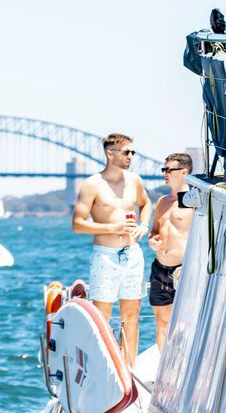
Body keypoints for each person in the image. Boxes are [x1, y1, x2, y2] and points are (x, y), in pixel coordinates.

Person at [70, 133, 151, 358]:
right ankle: (101, 368)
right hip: (105, 257)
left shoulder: (134, 180)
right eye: (126, 152)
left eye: (132, 152)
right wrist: (112, 228)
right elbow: (77, 224)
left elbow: (146, 204)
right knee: (101, 318)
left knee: (131, 316)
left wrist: (144, 225)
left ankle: (129, 372)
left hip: (133, 254)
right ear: (110, 153)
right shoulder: (92, 184)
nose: (131, 157)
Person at [144, 152, 194, 347]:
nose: (164, 173)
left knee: (186, 325)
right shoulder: (163, 202)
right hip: (160, 269)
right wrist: (152, 240)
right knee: (162, 323)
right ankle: (165, 374)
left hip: (184, 271)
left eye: (168, 169)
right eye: (163, 169)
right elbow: (155, 231)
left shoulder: (194, 203)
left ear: (184, 172)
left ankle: (186, 371)